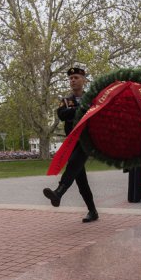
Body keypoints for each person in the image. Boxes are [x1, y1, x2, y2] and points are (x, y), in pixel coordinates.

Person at [43, 66, 99, 222]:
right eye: (71, 78)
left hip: (87, 141)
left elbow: (97, 115)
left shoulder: (92, 98)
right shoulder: (66, 101)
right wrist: (82, 110)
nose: (73, 80)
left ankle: (59, 192)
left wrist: (75, 112)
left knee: (74, 162)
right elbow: (62, 114)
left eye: (76, 78)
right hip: (72, 142)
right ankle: (93, 211)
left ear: (84, 80)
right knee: (81, 180)